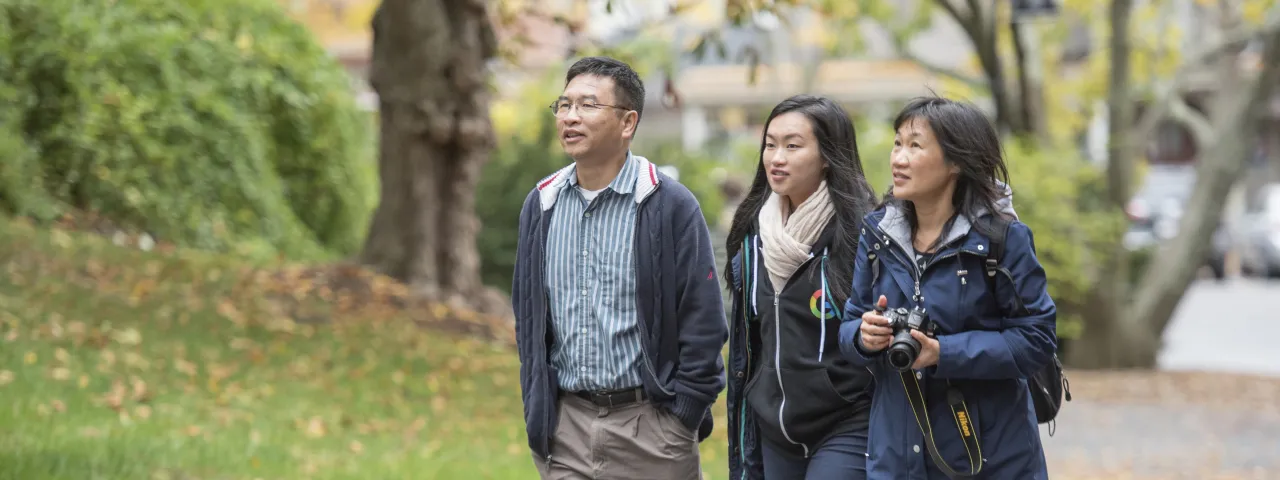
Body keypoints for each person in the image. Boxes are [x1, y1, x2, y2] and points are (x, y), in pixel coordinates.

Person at [511, 56, 728, 480]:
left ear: (628, 123)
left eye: (588, 105)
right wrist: (538, 409)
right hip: (566, 428)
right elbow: (529, 318)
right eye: (564, 105)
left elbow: (703, 321)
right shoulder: (542, 205)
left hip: (652, 430)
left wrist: (682, 416)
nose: (571, 117)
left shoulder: (669, 206)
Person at [838, 96, 1055, 479]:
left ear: (956, 161)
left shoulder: (1001, 240)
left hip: (991, 459)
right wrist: (863, 335)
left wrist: (944, 353)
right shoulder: (877, 234)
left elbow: (1036, 339)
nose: (898, 158)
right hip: (898, 459)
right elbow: (850, 322)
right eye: (897, 143)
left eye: (915, 146)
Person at [724, 94, 880, 480]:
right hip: (775, 428)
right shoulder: (753, 235)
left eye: (793, 146)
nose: (776, 158)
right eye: (770, 144)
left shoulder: (863, 233)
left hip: (846, 422)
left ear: (827, 154)